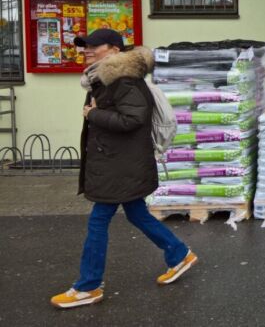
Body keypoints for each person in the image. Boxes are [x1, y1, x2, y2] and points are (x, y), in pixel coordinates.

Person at [51, 29, 198, 309]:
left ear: (115, 50)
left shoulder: (123, 79)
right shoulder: (105, 79)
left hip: (119, 164)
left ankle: (88, 286)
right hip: (118, 161)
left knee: (99, 220)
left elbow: (134, 118)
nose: (87, 50)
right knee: (136, 212)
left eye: (95, 46)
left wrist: (94, 114)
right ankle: (179, 254)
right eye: (85, 46)